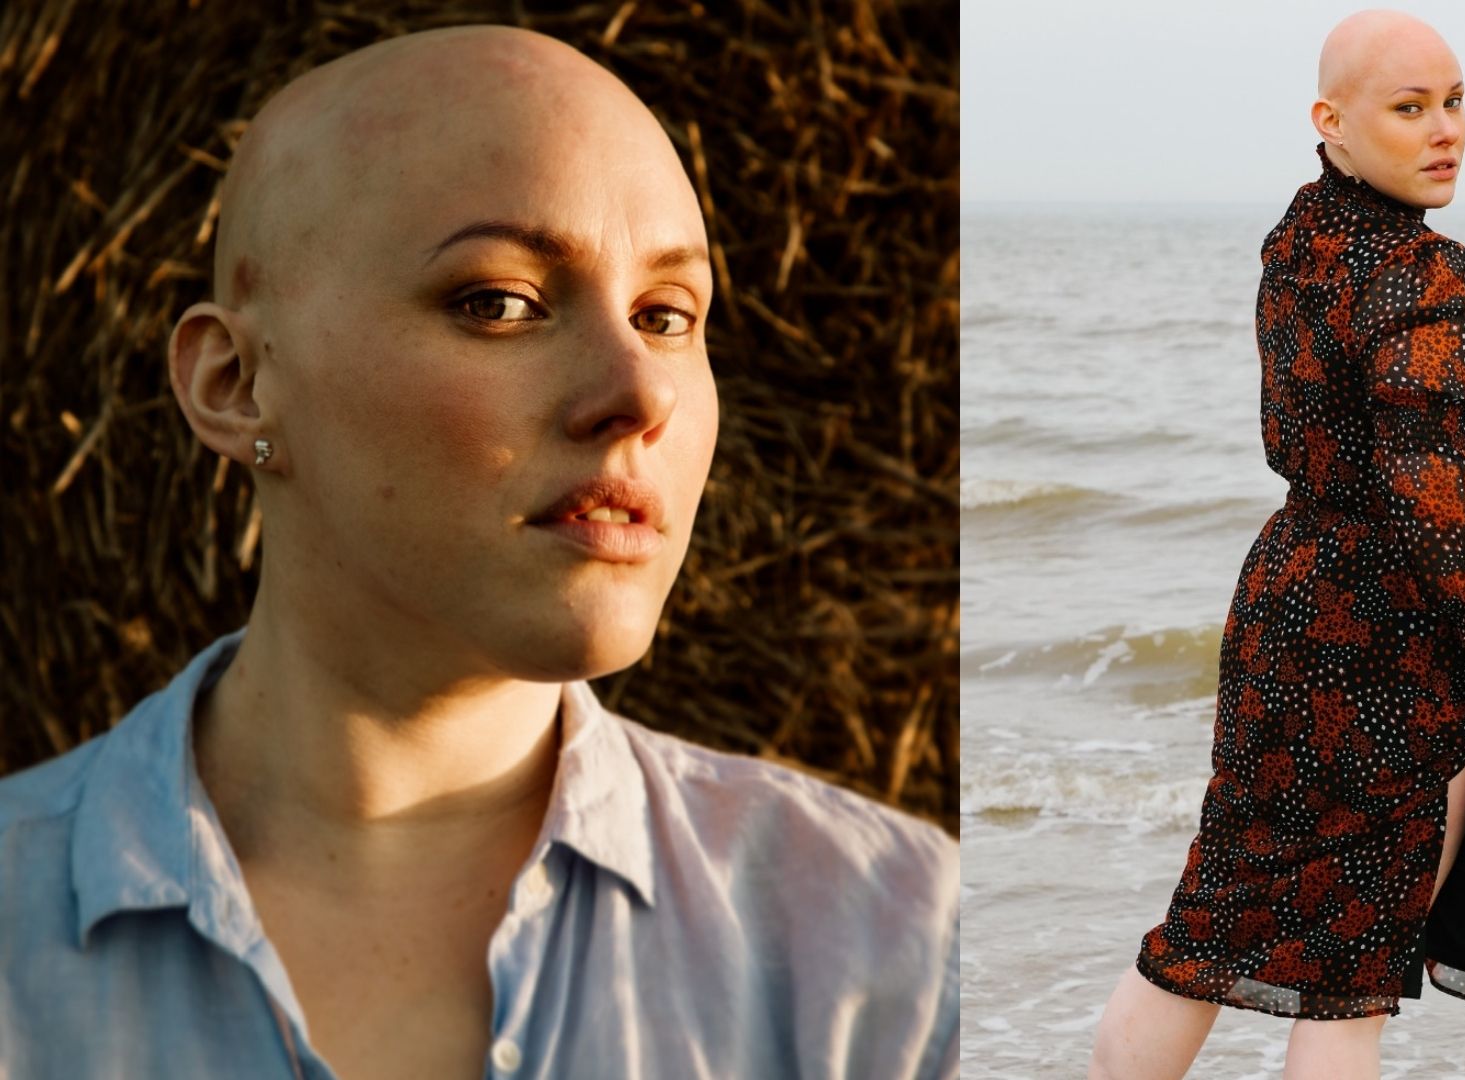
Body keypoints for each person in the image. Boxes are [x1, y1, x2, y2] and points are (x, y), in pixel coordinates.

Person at [0, 25, 957, 1080]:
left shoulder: (899, 958)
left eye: (667, 314)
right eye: (499, 303)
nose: (643, 392)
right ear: (234, 382)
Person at [1087, 10, 1465, 1079]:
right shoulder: (1420, 273)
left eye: (1455, 100)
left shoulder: (1302, 236)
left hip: (1289, 609)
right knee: (1353, 968)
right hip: (1396, 641)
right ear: (1330, 120)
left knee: (1207, 922)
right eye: (1409, 108)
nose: (1445, 131)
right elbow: (1423, 472)